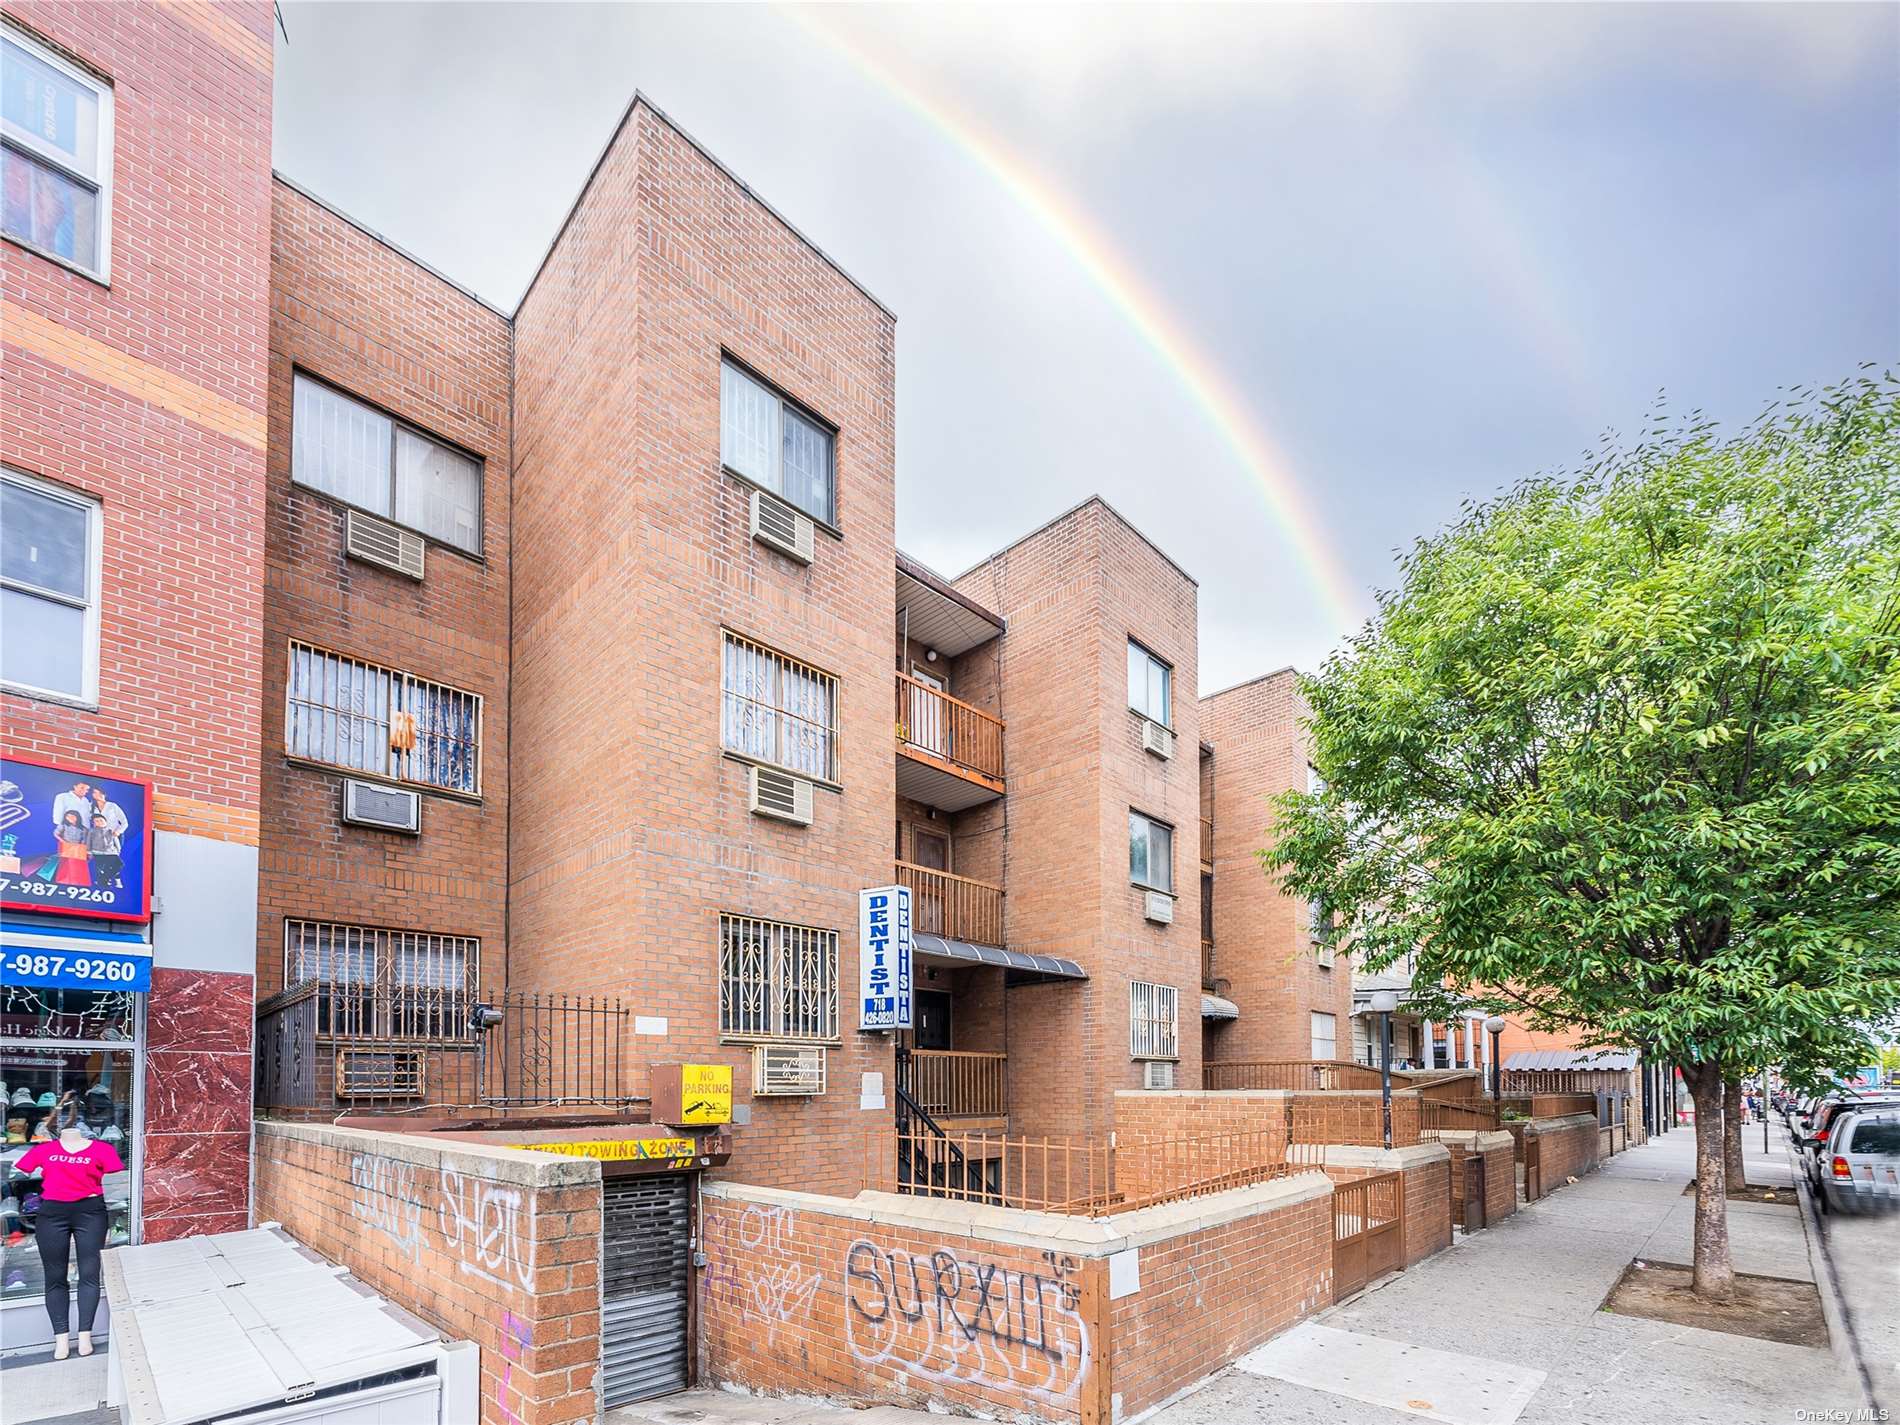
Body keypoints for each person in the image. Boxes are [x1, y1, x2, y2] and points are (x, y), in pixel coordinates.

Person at [15, 1094, 123, 1360]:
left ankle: (85, 1335)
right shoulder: (44, 1149)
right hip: (52, 1213)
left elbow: (114, 1172)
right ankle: (61, 1339)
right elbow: (23, 1170)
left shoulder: (102, 1149)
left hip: (90, 1211)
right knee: (55, 1277)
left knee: (89, 1273)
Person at [53, 811, 89, 886]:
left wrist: (80, 848)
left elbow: (84, 840)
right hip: (65, 847)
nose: (70, 818)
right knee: (65, 864)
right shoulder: (63, 825)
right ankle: (63, 881)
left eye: (72, 816)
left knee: (76, 865)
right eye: (68, 816)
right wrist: (63, 841)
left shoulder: (83, 829)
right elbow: (56, 833)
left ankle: (77, 882)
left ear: (77, 817)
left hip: (78, 848)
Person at [86, 814, 121, 889]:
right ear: (94, 823)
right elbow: (89, 842)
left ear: (106, 821)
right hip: (98, 852)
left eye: (101, 820)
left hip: (111, 852)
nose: (99, 822)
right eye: (96, 821)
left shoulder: (111, 830)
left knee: (118, 864)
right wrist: (89, 852)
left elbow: (116, 841)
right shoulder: (92, 831)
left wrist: (118, 850)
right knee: (101, 867)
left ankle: (103, 879)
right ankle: (104, 882)